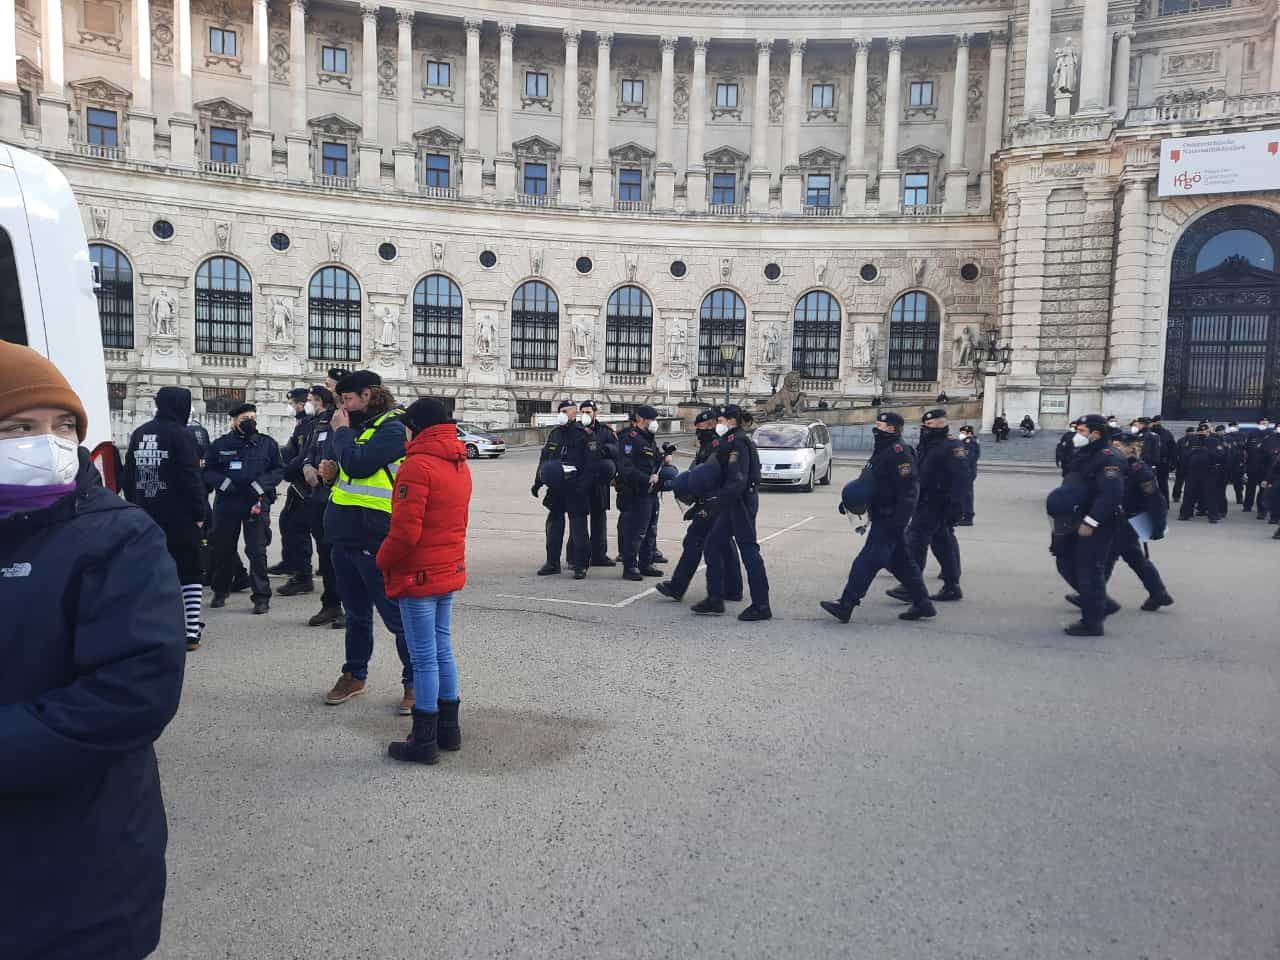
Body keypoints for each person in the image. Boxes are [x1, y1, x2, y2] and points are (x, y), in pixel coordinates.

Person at [0, 341, 185, 960]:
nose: (47, 443)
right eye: (20, 427)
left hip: (80, 866)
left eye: (63, 426)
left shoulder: (117, 535)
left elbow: (132, 695)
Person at [376, 398, 472, 765]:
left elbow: (404, 533)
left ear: (416, 426)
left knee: (423, 658)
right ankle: (449, 730)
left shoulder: (417, 465)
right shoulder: (459, 461)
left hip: (418, 572)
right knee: (442, 649)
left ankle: (423, 740)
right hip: (447, 567)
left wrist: (382, 561)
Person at [319, 371, 415, 714]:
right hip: (344, 533)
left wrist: (342, 434)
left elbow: (359, 465)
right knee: (357, 614)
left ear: (368, 395)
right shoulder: (357, 426)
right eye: (339, 402)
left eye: (347, 400)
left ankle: (414, 681)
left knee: (397, 618)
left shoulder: (393, 425)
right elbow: (346, 468)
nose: (342, 407)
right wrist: (329, 473)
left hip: (377, 535)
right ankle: (354, 674)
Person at [819, 411, 935, 624]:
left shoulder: (899, 452)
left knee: (866, 561)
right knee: (901, 563)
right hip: (882, 514)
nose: (876, 429)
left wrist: (898, 520)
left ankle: (846, 604)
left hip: (890, 519)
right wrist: (851, 502)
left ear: (892, 428)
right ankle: (923, 603)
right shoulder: (882, 450)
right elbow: (871, 482)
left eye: (880, 426)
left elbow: (910, 491)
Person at [123, 386, 209, 651]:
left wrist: (135, 504)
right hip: (179, 515)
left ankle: (153, 627)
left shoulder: (140, 433)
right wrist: (200, 513)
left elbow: (128, 475)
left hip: (145, 513)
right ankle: (190, 630)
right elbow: (189, 477)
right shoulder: (181, 435)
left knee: (153, 571)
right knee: (189, 570)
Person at [202, 403, 284, 614]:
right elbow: (208, 470)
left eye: (252, 418)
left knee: (257, 551)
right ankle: (220, 591)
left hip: (255, 503)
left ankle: (261, 597)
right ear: (234, 421)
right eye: (244, 418)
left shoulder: (267, 444)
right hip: (227, 504)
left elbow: (277, 471)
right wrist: (226, 485)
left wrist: (258, 486)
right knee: (223, 549)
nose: (249, 421)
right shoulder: (220, 444)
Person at [657, 407, 743, 603]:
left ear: (712, 425)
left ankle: (679, 587)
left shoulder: (716, 445)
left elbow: (713, 477)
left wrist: (704, 504)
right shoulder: (707, 445)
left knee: (695, 542)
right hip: (711, 502)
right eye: (698, 426)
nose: (698, 430)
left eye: (702, 426)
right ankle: (733, 589)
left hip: (713, 503)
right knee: (724, 544)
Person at [694, 404, 771, 621]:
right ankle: (715, 599)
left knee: (749, 551)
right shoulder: (729, 441)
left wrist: (717, 502)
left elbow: (737, 480)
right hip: (732, 503)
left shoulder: (738, 442)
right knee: (712, 545)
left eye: (720, 420)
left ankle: (761, 605)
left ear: (731, 421)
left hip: (740, 503)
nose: (718, 424)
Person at [886, 409, 970, 604]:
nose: (925, 428)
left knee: (916, 541)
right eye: (924, 425)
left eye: (930, 425)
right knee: (942, 543)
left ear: (942, 424)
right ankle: (952, 585)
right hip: (924, 500)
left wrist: (957, 506)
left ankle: (910, 586)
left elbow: (962, 478)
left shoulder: (951, 446)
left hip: (938, 502)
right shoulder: (928, 445)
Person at [1053, 414, 1124, 637]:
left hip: (1095, 523)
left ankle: (1092, 622)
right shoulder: (1084, 454)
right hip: (1073, 519)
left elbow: (1110, 495)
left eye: (1082, 431)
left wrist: (1091, 522)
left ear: (1096, 433)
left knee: (1088, 570)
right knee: (1064, 562)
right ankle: (1101, 602)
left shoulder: (1110, 457)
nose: (1078, 435)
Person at [1094, 429, 1174, 612]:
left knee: (1106, 558)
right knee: (1133, 558)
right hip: (1117, 519)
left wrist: (1158, 525)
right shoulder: (1115, 466)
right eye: (1112, 445)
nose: (1113, 449)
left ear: (1131, 449)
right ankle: (1159, 593)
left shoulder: (1139, 470)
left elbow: (1155, 499)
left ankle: (1092, 596)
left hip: (1128, 522)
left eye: (1118, 446)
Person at [284, 386, 344, 622]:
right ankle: (330, 605)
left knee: (343, 559)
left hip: (339, 498)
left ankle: (350, 609)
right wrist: (307, 465)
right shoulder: (321, 422)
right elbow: (309, 451)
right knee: (326, 555)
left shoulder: (349, 422)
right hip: (317, 497)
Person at [532, 400, 593, 578]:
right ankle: (552, 563)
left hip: (576, 488)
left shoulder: (584, 435)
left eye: (565, 411)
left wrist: (583, 485)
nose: (562, 414)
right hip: (557, 489)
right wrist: (538, 482)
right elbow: (544, 459)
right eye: (560, 411)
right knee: (553, 527)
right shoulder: (555, 434)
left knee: (579, 530)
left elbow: (591, 464)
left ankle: (580, 565)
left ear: (574, 414)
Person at [270, 387, 316, 587]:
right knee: (287, 521)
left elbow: (303, 454)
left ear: (301, 404)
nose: (290, 408)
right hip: (297, 481)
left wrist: (286, 471)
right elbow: (291, 450)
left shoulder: (311, 425)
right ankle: (290, 562)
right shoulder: (302, 424)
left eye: (292, 404)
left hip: (304, 483)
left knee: (297, 526)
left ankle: (303, 573)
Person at [615, 404, 666, 582]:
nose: (655, 423)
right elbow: (625, 468)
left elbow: (654, 460)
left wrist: (665, 457)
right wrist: (646, 478)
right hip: (636, 492)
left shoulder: (648, 438)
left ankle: (646, 563)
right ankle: (630, 566)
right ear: (642, 420)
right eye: (653, 420)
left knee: (650, 529)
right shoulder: (630, 439)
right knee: (637, 531)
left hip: (651, 492)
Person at [578, 400, 617, 568]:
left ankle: (599, 555)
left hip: (600, 481)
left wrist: (605, 449)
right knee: (578, 519)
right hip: (581, 480)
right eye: (583, 412)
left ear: (595, 413)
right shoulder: (576, 430)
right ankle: (576, 556)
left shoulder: (605, 431)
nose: (586, 414)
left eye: (589, 411)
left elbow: (616, 449)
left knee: (599, 519)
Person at [1177, 423, 1220, 522]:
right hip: (1193, 471)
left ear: (1209, 431)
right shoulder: (1192, 440)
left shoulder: (1214, 441)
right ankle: (1185, 514)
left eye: (1205, 431)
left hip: (1208, 471)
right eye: (1201, 431)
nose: (1203, 432)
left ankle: (1213, 516)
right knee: (1189, 494)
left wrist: (1207, 451)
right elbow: (1185, 454)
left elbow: (1219, 455)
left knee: (1211, 495)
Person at [1150, 414, 1176, 502]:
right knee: (1149, 484)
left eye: (1160, 421)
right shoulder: (1148, 433)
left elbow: (1172, 449)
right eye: (1156, 421)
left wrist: (1172, 463)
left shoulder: (1167, 433)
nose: (1158, 423)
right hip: (1150, 462)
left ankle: (1165, 502)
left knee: (1163, 484)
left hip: (1163, 462)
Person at [957, 424, 979, 524]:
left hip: (967, 472)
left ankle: (968, 516)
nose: (961, 434)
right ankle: (964, 515)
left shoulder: (969, 442)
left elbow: (969, 458)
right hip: (966, 471)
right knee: (963, 494)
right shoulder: (965, 442)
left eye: (963, 433)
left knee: (967, 495)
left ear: (969, 433)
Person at [1171, 426, 1195, 503]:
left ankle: (1176, 496)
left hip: (1182, 464)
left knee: (1179, 482)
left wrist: (1175, 464)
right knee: (1187, 483)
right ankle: (1189, 497)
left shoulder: (1180, 440)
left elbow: (1175, 453)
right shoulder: (1195, 441)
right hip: (1189, 465)